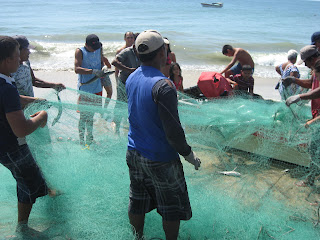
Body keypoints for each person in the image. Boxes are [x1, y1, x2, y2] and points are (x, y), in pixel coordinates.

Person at [125, 30, 201, 240]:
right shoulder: (164, 86)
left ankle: (137, 237)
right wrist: (188, 154)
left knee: (137, 201)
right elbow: (173, 131)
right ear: (161, 54)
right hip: (160, 158)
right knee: (170, 208)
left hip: (134, 152)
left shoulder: (131, 77)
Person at [0, 35, 54, 234]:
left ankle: (23, 221)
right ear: (6, 60)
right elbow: (21, 129)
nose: (19, 60)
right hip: (11, 147)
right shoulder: (6, 89)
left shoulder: (4, 82)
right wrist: (42, 117)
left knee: (25, 179)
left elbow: (13, 98)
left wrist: (32, 100)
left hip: (2, 146)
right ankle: (22, 226)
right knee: (30, 183)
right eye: (16, 56)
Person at [285, 45, 320, 187]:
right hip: (317, 113)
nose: (304, 64)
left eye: (306, 61)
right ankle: (312, 178)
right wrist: (294, 81)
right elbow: (312, 84)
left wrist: (300, 96)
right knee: (314, 149)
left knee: (314, 148)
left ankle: (311, 179)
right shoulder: (315, 69)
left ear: (313, 58)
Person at [74, 34, 106, 146]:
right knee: (83, 116)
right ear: (86, 45)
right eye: (93, 47)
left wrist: (103, 68)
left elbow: (101, 61)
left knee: (91, 115)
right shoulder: (80, 51)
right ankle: (81, 139)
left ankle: (90, 137)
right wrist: (92, 71)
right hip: (85, 88)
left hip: (96, 88)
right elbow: (77, 69)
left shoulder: (98, 48)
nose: (95, 49)